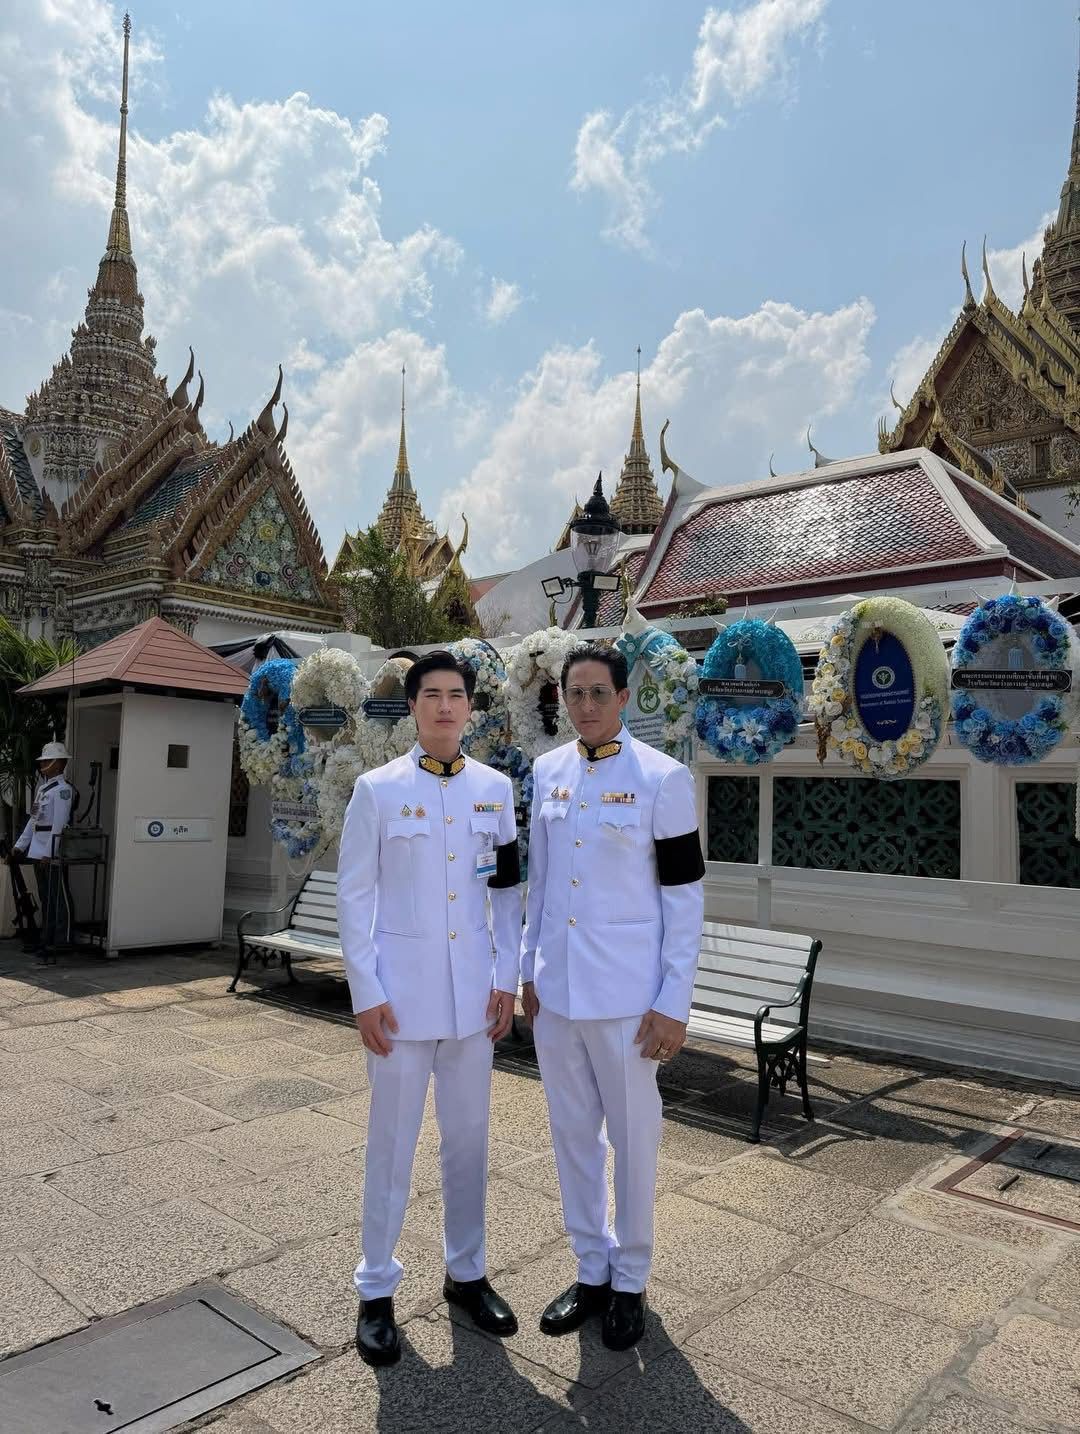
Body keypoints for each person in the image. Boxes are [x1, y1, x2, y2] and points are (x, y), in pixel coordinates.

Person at [338, 650, 522, 1367]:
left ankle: (466, 1273)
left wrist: (506, 978)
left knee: (468, 1142)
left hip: (472, 1002)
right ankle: (376, 1290)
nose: (445, 706)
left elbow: (505, 895)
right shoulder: (378, 790)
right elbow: (355, 897)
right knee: (391, 1146)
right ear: (413, 707)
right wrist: (366, 992)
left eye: (456, 695)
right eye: (432, 695)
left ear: (471, 707)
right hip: (400, 1005)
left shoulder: (495, 790)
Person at [521, 642, 705, 1351]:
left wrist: (674, 1001)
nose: (587, 704)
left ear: (624, 698)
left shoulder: (663, 778)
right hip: (559, 994)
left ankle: (631, 1279)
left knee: (633, 1141)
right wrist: (529, 970)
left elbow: (684, 897)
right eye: (575, 692)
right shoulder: (548, 772)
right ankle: (591, 1269)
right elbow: (541, 883)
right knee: (572, 1136)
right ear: (563, 699)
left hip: (629, 1000)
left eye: (599, 692)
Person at [8, 741, 74, 953]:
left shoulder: (63, 790)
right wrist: (19, 846)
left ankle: (62, 940)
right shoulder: (44, 789)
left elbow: (59, 824)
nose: (43, 764)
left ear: (60, 763)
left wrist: (49, 853)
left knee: (58, 897)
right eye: (43, 761)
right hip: (38, 850)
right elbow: (34, 820)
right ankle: (47, 938)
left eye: (47, 761)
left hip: (51, 851)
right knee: (46, 897)